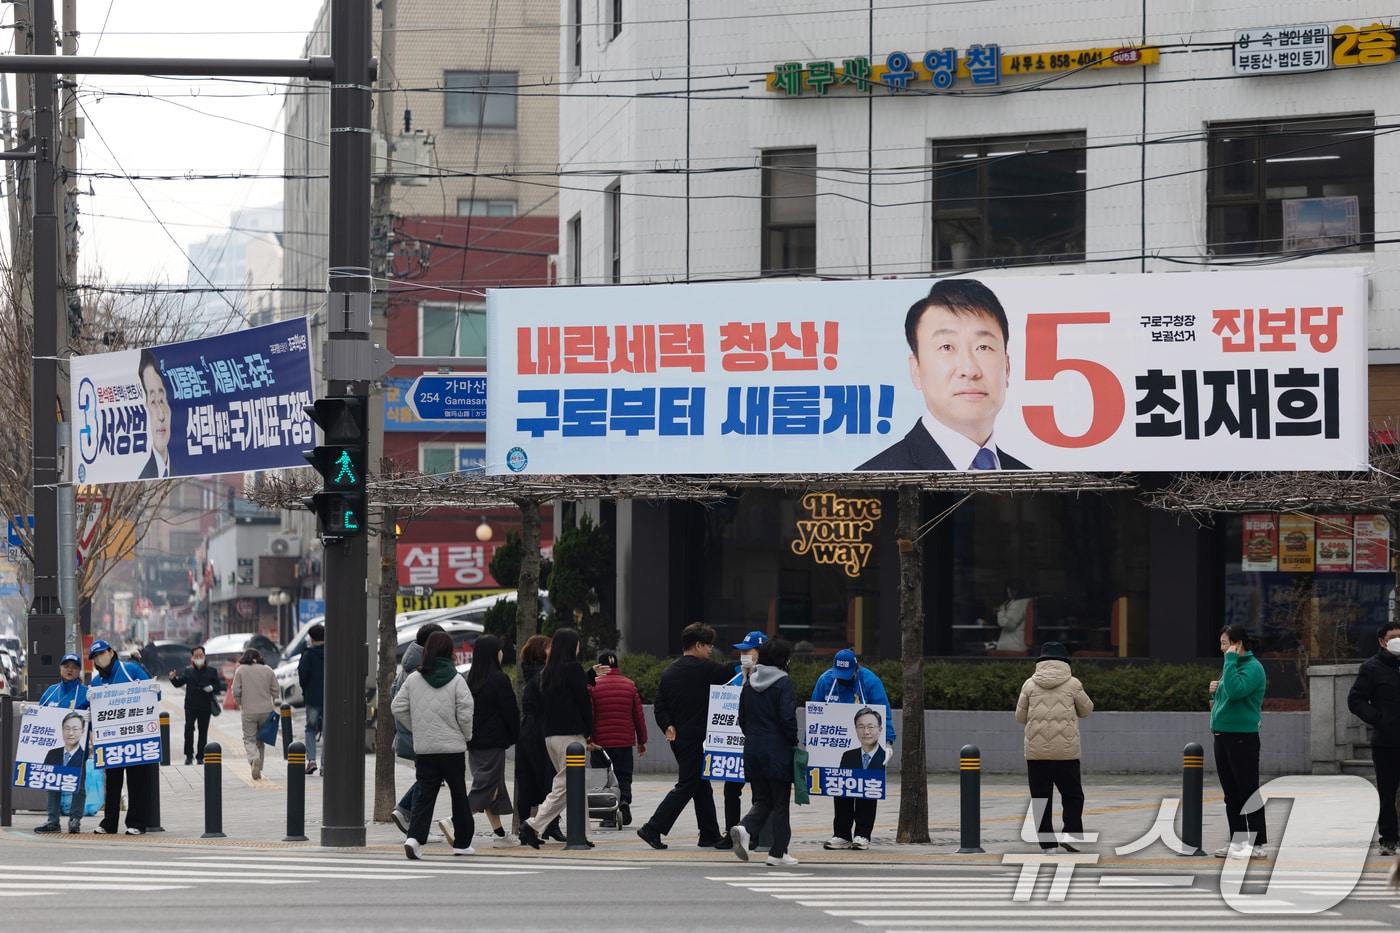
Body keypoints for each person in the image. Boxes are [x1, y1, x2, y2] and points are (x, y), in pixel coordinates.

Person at [857, 278, 1030, 471]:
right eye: (947, 347)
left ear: (1006, 367)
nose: (969, 370)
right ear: (916, 370)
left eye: (983, 347)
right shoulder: (873, 483)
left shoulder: (1037, 485)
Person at [637, 623, 736, 850]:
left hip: (678, 738)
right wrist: (749, 661)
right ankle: (653, 827)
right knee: (689, 784)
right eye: (709, 645)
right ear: (699, 645)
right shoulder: (705, 669)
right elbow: (729, 672)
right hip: (697, 738)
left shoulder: (669, 671)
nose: (711, 650)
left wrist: (667, 726)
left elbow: (660, 706)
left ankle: (709, 833)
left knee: (701, 784)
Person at [391, 630, 476, 859]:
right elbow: (466, 713)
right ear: (449, 652)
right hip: (452, 748)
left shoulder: (414, 679)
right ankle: (462, 843)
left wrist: (416, 726)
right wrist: (465, 735)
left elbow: (397, 707)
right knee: (458, 794)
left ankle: (414, 839)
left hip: (425, 748)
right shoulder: (457, 680)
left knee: (424, 795)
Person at [812, 648, 896, 851]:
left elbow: (883, 711)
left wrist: (888, 741)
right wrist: (812, 742)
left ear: (855, 668)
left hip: (868, 742)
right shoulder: (825, 680)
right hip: (838, 746)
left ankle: (863, 834)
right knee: (840, 787)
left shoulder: (870, 681)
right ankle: (841, 834)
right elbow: (815, 710)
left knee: (867, 788)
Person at [1014, 642, 1093, 851]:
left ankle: (1047, 843)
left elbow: (1019, 717)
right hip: (1066, 753)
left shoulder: (1029, 684)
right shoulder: (1073, 684)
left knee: (1040, 797)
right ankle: (1072, 836)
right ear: (1065, 662)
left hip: (1036, 753)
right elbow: (1087, 711)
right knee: (1073, 795)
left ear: (1040, 662)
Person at [519, 628, 593, 849]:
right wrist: (589, 732)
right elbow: (583, 703)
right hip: (571, 737)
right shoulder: (573, 669)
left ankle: (583, 833)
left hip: (551, 736)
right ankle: (532, 825)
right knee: (565, 785)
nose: (579, 647)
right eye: (577, 643)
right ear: (571, 646)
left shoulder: (548, 671)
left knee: (576, 785)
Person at [729, 638, 798, 867]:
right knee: (780, 802)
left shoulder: (749, 683)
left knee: (762, 799)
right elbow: (787, 719)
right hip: (777, 750)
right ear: (782, 659)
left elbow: (742, 719)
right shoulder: (783, 682)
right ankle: (778, 853)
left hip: (752, 748)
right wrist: (793, 742)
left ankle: (745, 827)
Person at [1210, 623, 1269, 859]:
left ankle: (1257, 844)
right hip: (1223, 735)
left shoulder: (1253, 667)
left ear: (1237, 644)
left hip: (1242, 737)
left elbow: (1236, 692)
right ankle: (1238, 841)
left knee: (1247, 791)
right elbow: (1226, 698)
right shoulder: (1232, 666)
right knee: (1231, 793)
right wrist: (1215, 689)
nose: (1222, 648)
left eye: (1225, 643)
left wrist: (1230, 662)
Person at [89, 639, 158, 835]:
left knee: (137, 782)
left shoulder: (131, 670)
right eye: (95, 657)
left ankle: (136, 823)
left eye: (101, 653)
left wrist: (153, 690)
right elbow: (95, 714)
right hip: (111, 740)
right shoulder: (96, 682)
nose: (99, 659)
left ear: (111, 652)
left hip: (136, 737)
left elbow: (153, 698)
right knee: (112, 782)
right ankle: (109, 823)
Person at [389, 621, 447, 834]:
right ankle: (409, 815)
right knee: (431, 779)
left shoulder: (409, 663)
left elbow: (392, 695)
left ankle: (408, 815)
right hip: (421, 734)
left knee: (429, 778)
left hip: (411, 733)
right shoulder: (420, 667)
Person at [466, 634, 520, 847]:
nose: (502, 653)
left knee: (493, 787)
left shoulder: (471, 678)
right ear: (492, 653)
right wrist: (515, 735)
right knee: (487, 787)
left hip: (474, 740)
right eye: (499, 649)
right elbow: (510, 711)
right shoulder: (498, 679)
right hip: (494, 740)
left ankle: (499, 835)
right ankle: (455, 820)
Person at [1351, 622, 1400, 856]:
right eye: (1393, 637)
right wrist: (1379, 719)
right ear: (1382, 641)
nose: (1397, 640)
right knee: (1387, 792)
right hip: (1386, 742)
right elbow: (1356, 700)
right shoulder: (1372, 667)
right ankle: (1389, 839)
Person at [718, 631, 767, 849]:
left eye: (748, 650)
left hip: (757, 744)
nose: (743, 655)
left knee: (759, 791)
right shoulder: (734, 674)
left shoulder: (770, 678)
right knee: (731, 790)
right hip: (732, 745)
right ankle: (731, 833)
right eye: (741, 651)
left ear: (761, 652)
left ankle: (754, 835)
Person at [515, 634, 565, 843]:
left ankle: (528, 824)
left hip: (528, 729)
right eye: (548, 647)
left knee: (528, 777)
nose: (552, 650)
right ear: (540, 651)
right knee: (549, 776)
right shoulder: (543, 675)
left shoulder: (530, 671)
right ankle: (547, 825)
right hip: (542, 728)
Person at [589, 649, 647, 828]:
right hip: (624, 741)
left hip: (600, 743)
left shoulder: (593, 686)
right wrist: (642, 740)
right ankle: (624, 802)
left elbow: (590, 714)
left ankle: (608, 814)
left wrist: (589, 738)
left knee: (603, 777)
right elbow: (638, 715)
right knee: (624, 775)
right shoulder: (629, 684)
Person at [34, 653, 89, 834]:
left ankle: (75, 820)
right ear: (60, 668)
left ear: (79, 670)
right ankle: (53, 821)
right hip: (54, 748)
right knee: (53, 782)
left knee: (77, 784)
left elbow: (94, 719)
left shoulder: (86, 693)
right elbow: (40, 716)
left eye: (74, 666)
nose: (69, 669)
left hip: (77, 748)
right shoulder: (50, 691)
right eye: (66, 666)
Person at [169, 646, 223, 765]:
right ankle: (189, 756)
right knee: (188, 729)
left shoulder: (212, 671)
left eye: (201, 656)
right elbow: (179, 683)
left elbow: (219, 687)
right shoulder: (188, 671)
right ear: (192, 658)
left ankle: (200, 756)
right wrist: (173, 678)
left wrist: (212, 688)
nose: (199, 658)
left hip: (206, 706)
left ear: (204, 656)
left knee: (203, 731)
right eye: (196, 656)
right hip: (191, 706)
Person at [230, 648, 278, 781]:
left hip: (248, 710)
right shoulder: (268, 669)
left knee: (249, 739)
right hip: (266, 710)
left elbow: (235, 690)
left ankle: (253, 759)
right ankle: (259, 767)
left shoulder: (240, 670)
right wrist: (273, 702)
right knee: (260, 740)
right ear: (259, 657)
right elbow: (275, 690)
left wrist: (240, 703)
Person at [137, 350, 171, 479]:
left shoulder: (180, 470)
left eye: (162, 400)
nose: (161, 416)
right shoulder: (140, 475)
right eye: (153, 402)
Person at [297, 623, 326, 776]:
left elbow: (302, 675)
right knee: (328, 731)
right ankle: (325, 766)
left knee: (310, 728)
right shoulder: (332, 652)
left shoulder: (308, 654)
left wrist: (306, 689)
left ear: (312, 638)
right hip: (330, 698)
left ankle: (312, 761)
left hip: (312, 697)